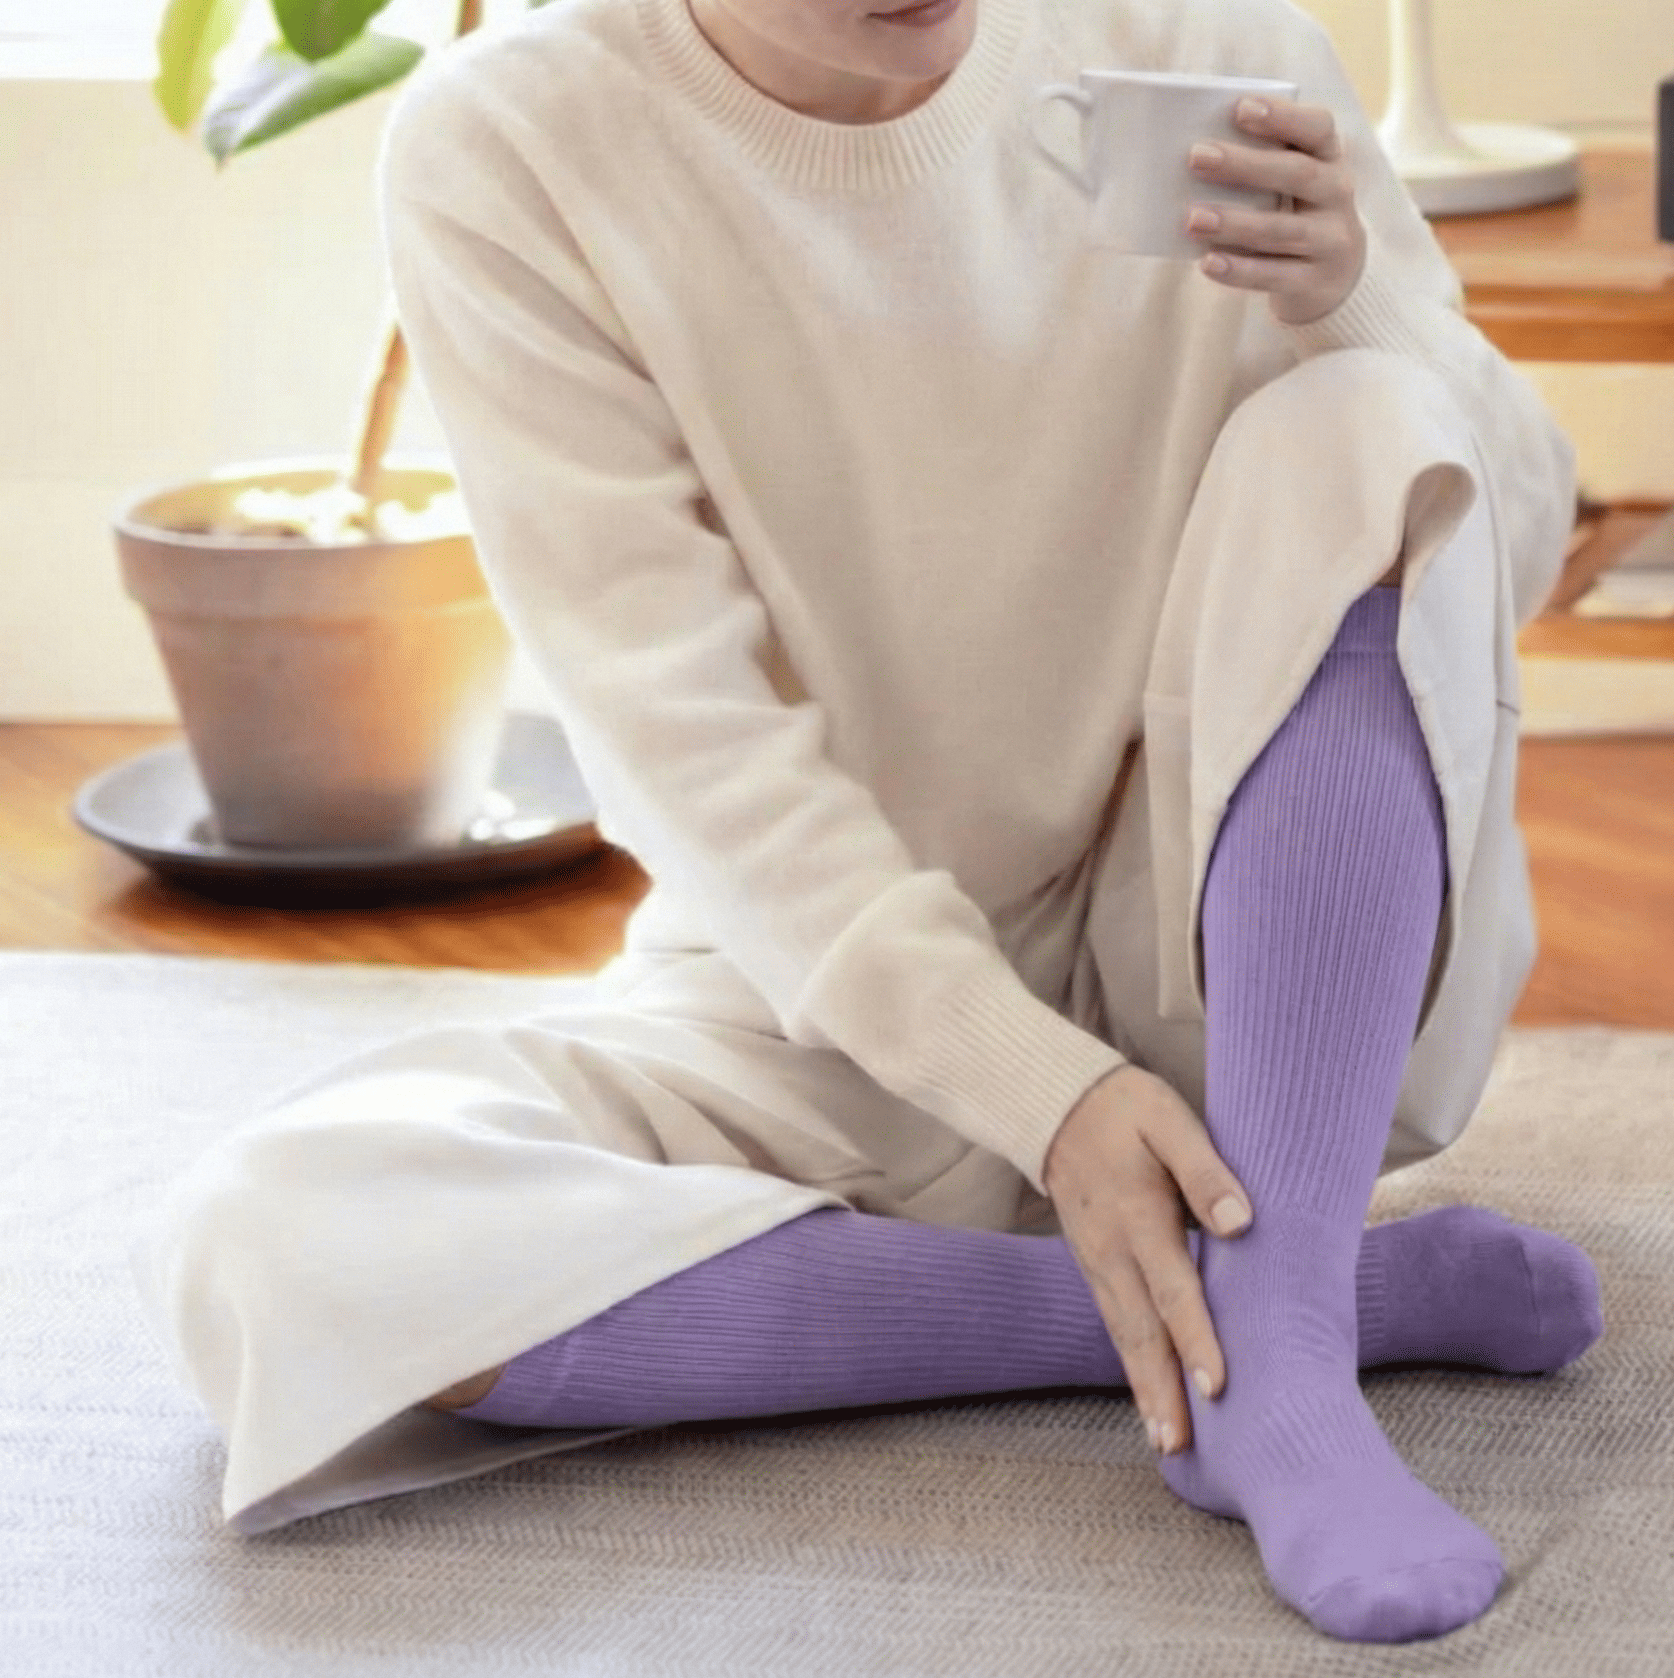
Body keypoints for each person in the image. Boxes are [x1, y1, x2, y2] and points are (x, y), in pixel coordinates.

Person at [128, 0, 1602, 1647]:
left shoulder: (1206, 39)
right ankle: (1268, 1311)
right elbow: (679, 735)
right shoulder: (514, 142)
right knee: (271, 1242)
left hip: (1231, 981)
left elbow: (1505, 539)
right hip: (824, 1001)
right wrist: (1037, 1090)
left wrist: (1359, 298)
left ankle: (1284, 1324)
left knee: (1362, 419)